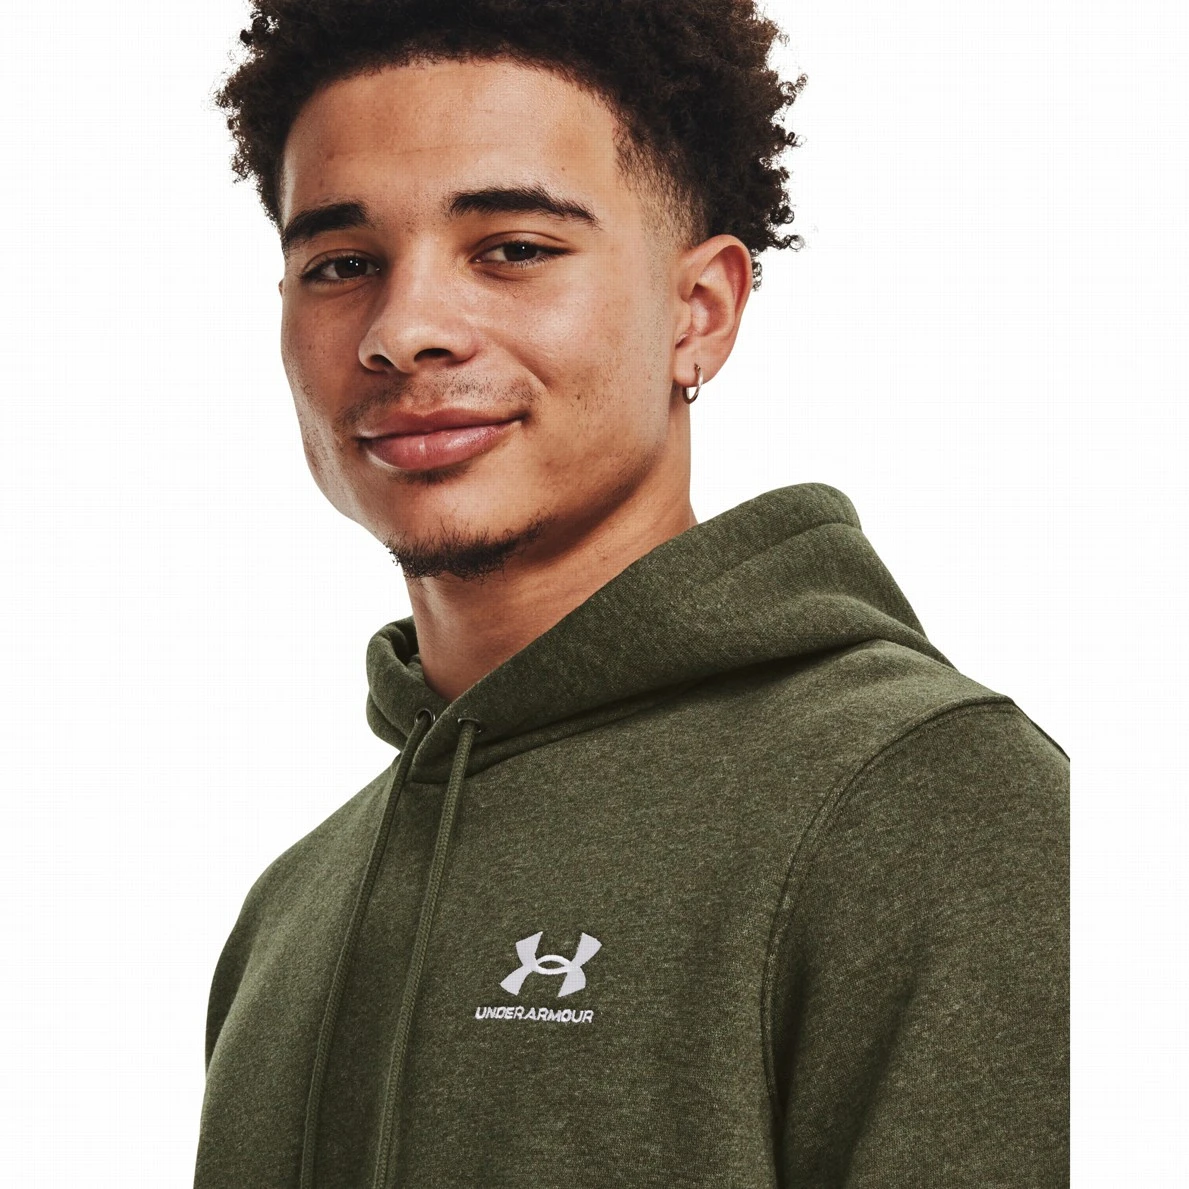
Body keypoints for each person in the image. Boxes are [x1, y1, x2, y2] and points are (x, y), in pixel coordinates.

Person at [194, 1, 1069, 1185]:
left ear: (699, 313)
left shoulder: (929, 799)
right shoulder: (292, 912)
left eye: (512, 249)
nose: (403, 331)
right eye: (342, 266)